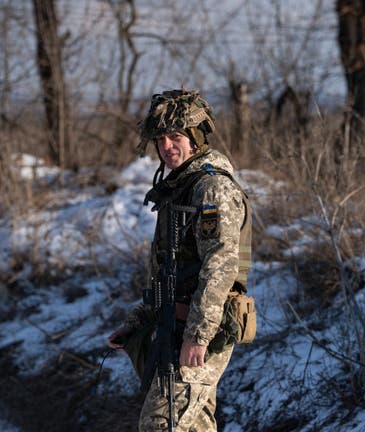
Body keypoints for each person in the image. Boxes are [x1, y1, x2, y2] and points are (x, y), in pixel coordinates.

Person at [108, 88, 252, 431]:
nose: (167, 146)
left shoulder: (212, 189)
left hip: (205, 327)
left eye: (176, 137)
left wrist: (198, 336)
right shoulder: (181, 188)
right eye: (161, 139)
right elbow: (169, 270)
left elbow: (220, 265)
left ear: (196, 139)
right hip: (177, 323)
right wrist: (140, 319)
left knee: (162, 425)